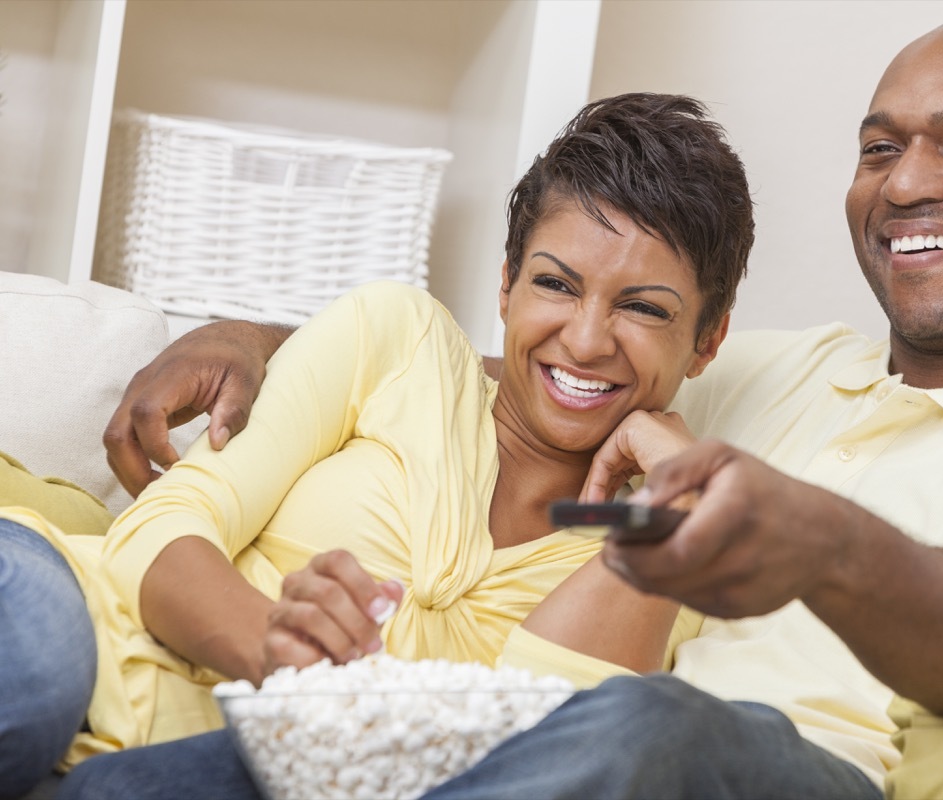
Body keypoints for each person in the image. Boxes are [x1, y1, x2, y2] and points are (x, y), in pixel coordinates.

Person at [64, 17, 943, 800]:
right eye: (878, 147)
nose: (905, 182)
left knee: (636, 726)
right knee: (325, 743)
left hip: (786, 767)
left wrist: (824, 542)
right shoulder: (785, 368)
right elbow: (551, 356)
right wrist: (249, 337)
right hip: (566, 743)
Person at [0, 92, 755, 799]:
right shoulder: (401, 342)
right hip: (78, 611)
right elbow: (161, 526)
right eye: (555, 285)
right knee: (38, 677)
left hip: (198, 768)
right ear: (505, 285)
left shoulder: (658, 557)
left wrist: (671, 498)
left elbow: (543, 755)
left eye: (644, 309)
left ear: (707, 339)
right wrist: (279, 653)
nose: (586, 341)